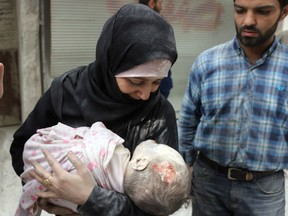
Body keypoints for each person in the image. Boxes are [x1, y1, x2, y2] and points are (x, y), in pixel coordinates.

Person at [10, 3, 178, 216]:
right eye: (136, 81)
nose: (146, 94)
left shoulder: (160, 116)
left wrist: (89, 199)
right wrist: (50, 188)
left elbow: (159, 205)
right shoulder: (66, 91)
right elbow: (21, 149)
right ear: (111, 63)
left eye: (156, 83)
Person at [178, 0, 288, 215]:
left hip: (264, 189)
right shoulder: (207, 62)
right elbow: (189, 118)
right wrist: (186, 166)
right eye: (240, 10)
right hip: (208, 182)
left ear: (284, 12)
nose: (248, 20)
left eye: (262, 11)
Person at [15, 122, 190, 216]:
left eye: (157, 145)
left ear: (140, 162)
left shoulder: (111, 148)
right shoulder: (120, 194)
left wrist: (89, 197)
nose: (153, 141)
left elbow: (96, 128)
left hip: (39, 158)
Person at [139, 0, 173, 98]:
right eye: (160, 3)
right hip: (158, 79)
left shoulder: (129, 20)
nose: (161, 7)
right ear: (152, 3)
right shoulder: (159, 23)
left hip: (142, 81)